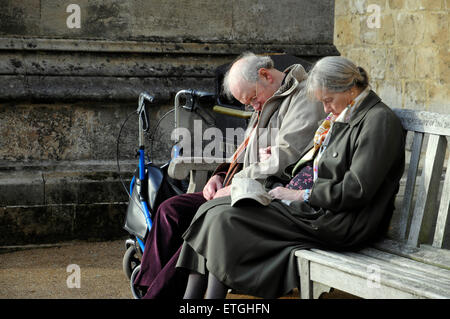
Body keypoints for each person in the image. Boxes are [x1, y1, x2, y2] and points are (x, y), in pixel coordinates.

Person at [176, 56, 406, 299]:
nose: (325, 109)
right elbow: (317, 164)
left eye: (328, 100)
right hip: (311, 207)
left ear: (349, 88)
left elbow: (356, 190)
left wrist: (299, 194)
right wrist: (278, 170)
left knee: (225, 219)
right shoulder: (343, 113)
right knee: (212, 210)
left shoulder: (378, 120)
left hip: (339, 220)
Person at [133, 52, 326, 298]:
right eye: (247, 103)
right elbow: (244, 152)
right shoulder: (266, 96)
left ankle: (156, 296)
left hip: (263, 193)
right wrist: (220, 176)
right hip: (239, 185)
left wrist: (235, 183)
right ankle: (146, 288)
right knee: (170, 211)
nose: (252, 107)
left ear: (265, 75)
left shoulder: (304, 96)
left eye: (252, 99)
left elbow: (284, 157)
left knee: (203, 227)